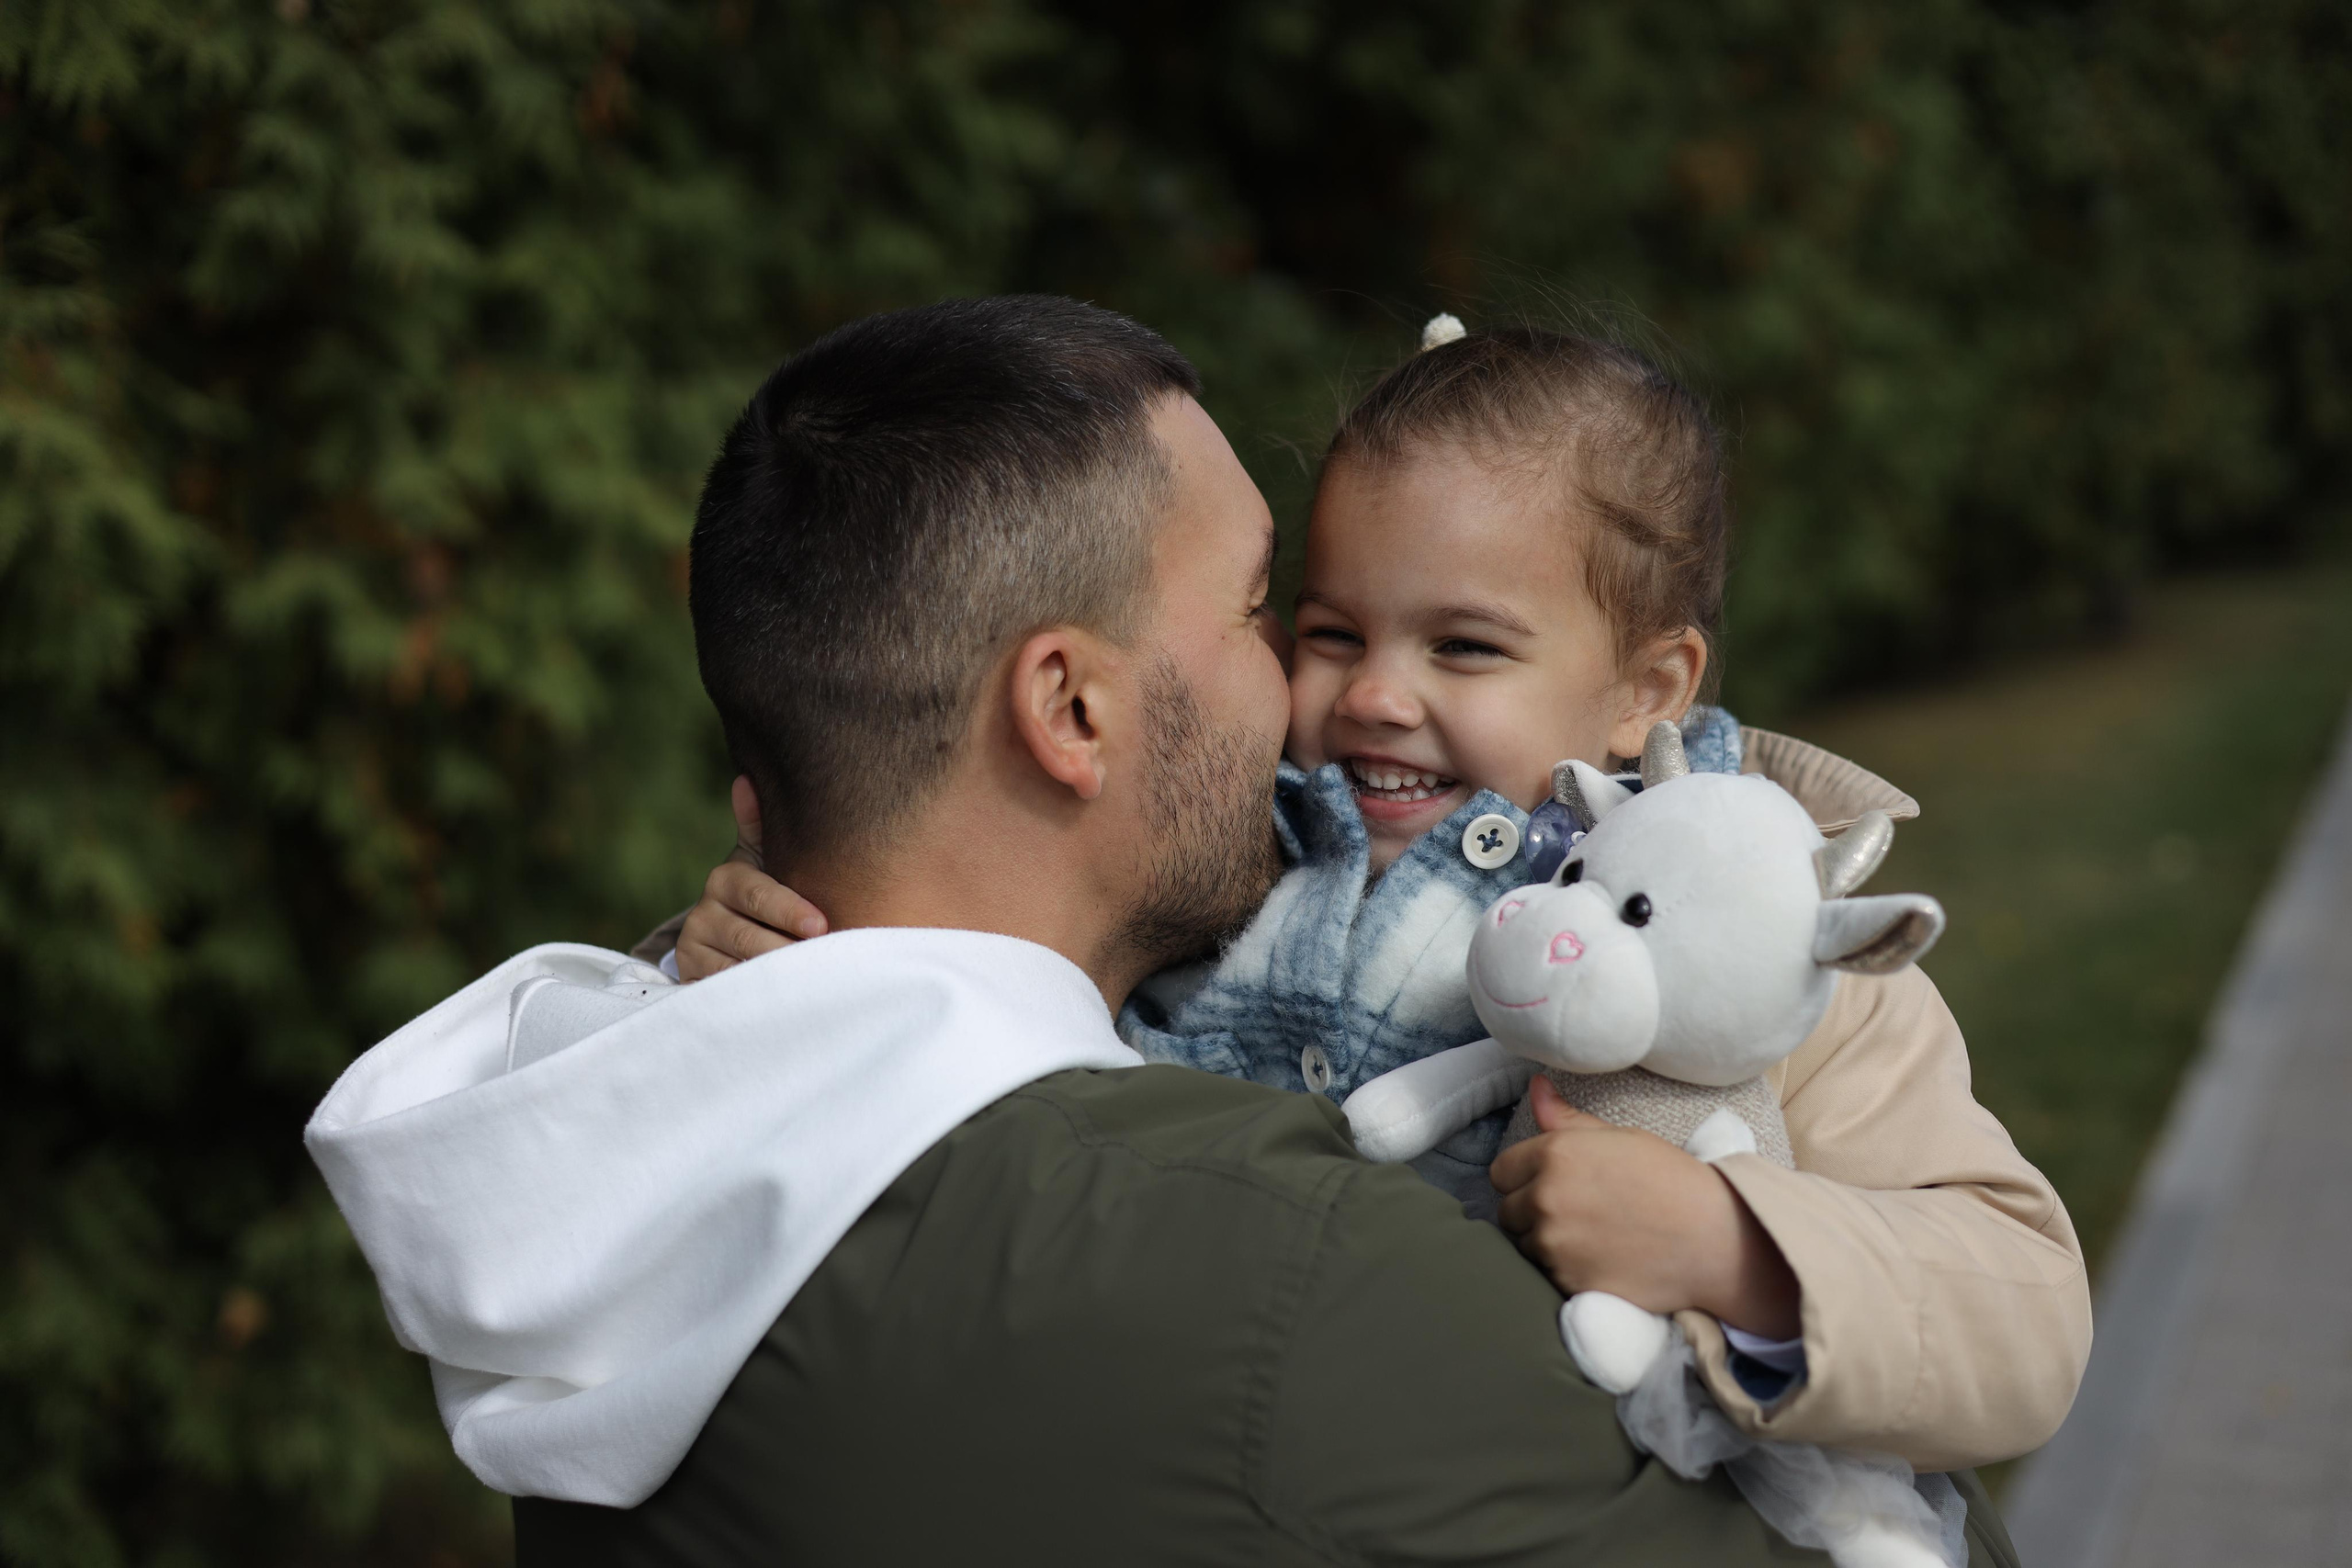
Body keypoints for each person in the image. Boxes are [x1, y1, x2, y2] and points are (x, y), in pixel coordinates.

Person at [308, 296, 2028, 1564]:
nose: (1343, 697)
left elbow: (2003, 1287)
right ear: (1069, 708)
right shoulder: (1292, 1277)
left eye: (1464, 649)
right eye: (1287, 612)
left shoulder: (631, 1152)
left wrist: (1742, 1248)